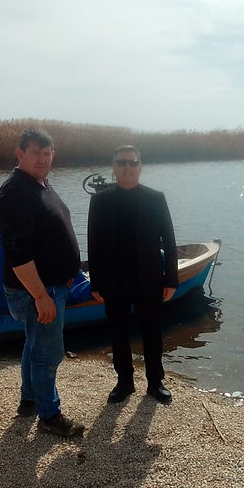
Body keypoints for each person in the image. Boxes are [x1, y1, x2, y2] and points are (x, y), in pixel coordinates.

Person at [0, 128, 85, 437]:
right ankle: (50, 416)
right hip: (37, 290)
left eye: (48, 153)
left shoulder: (39, 184)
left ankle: (29, 399)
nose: (44, 159)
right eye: (36, 153)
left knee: (34, 342)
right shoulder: (15, 191)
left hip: (49, 285)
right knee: (48, 353)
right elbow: (18, 253)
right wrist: (41, 296)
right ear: (20, 154)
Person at [87, 145, 178, 404]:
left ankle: (155, 382)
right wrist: (96, 282)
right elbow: (93, 242)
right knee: (118, 331)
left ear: (140, 167)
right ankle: (124, 381)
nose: (127, 167)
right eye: (122, 163)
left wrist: (171, 278)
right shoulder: (100, 200)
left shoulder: (155, 198)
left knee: (152, 330)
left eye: (133, 163)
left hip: (149, 277)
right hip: (114, 279)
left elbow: (169, 241)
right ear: (113, 167)